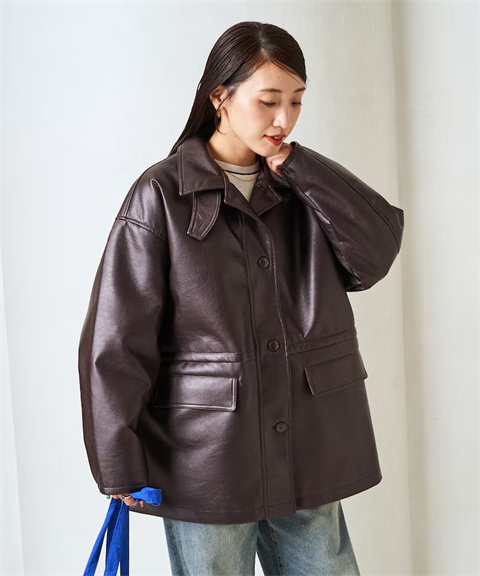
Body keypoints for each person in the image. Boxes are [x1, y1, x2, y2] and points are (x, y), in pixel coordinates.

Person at [78, 21, 404, 575]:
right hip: (207, 458)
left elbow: (374, 256)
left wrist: (301, 166)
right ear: (220, 98)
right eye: (268, 101)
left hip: (305, 445)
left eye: (296, 101)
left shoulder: (303, 190)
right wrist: (119, 461)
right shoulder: (161, 195)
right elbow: (118, 341)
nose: (284, 119)